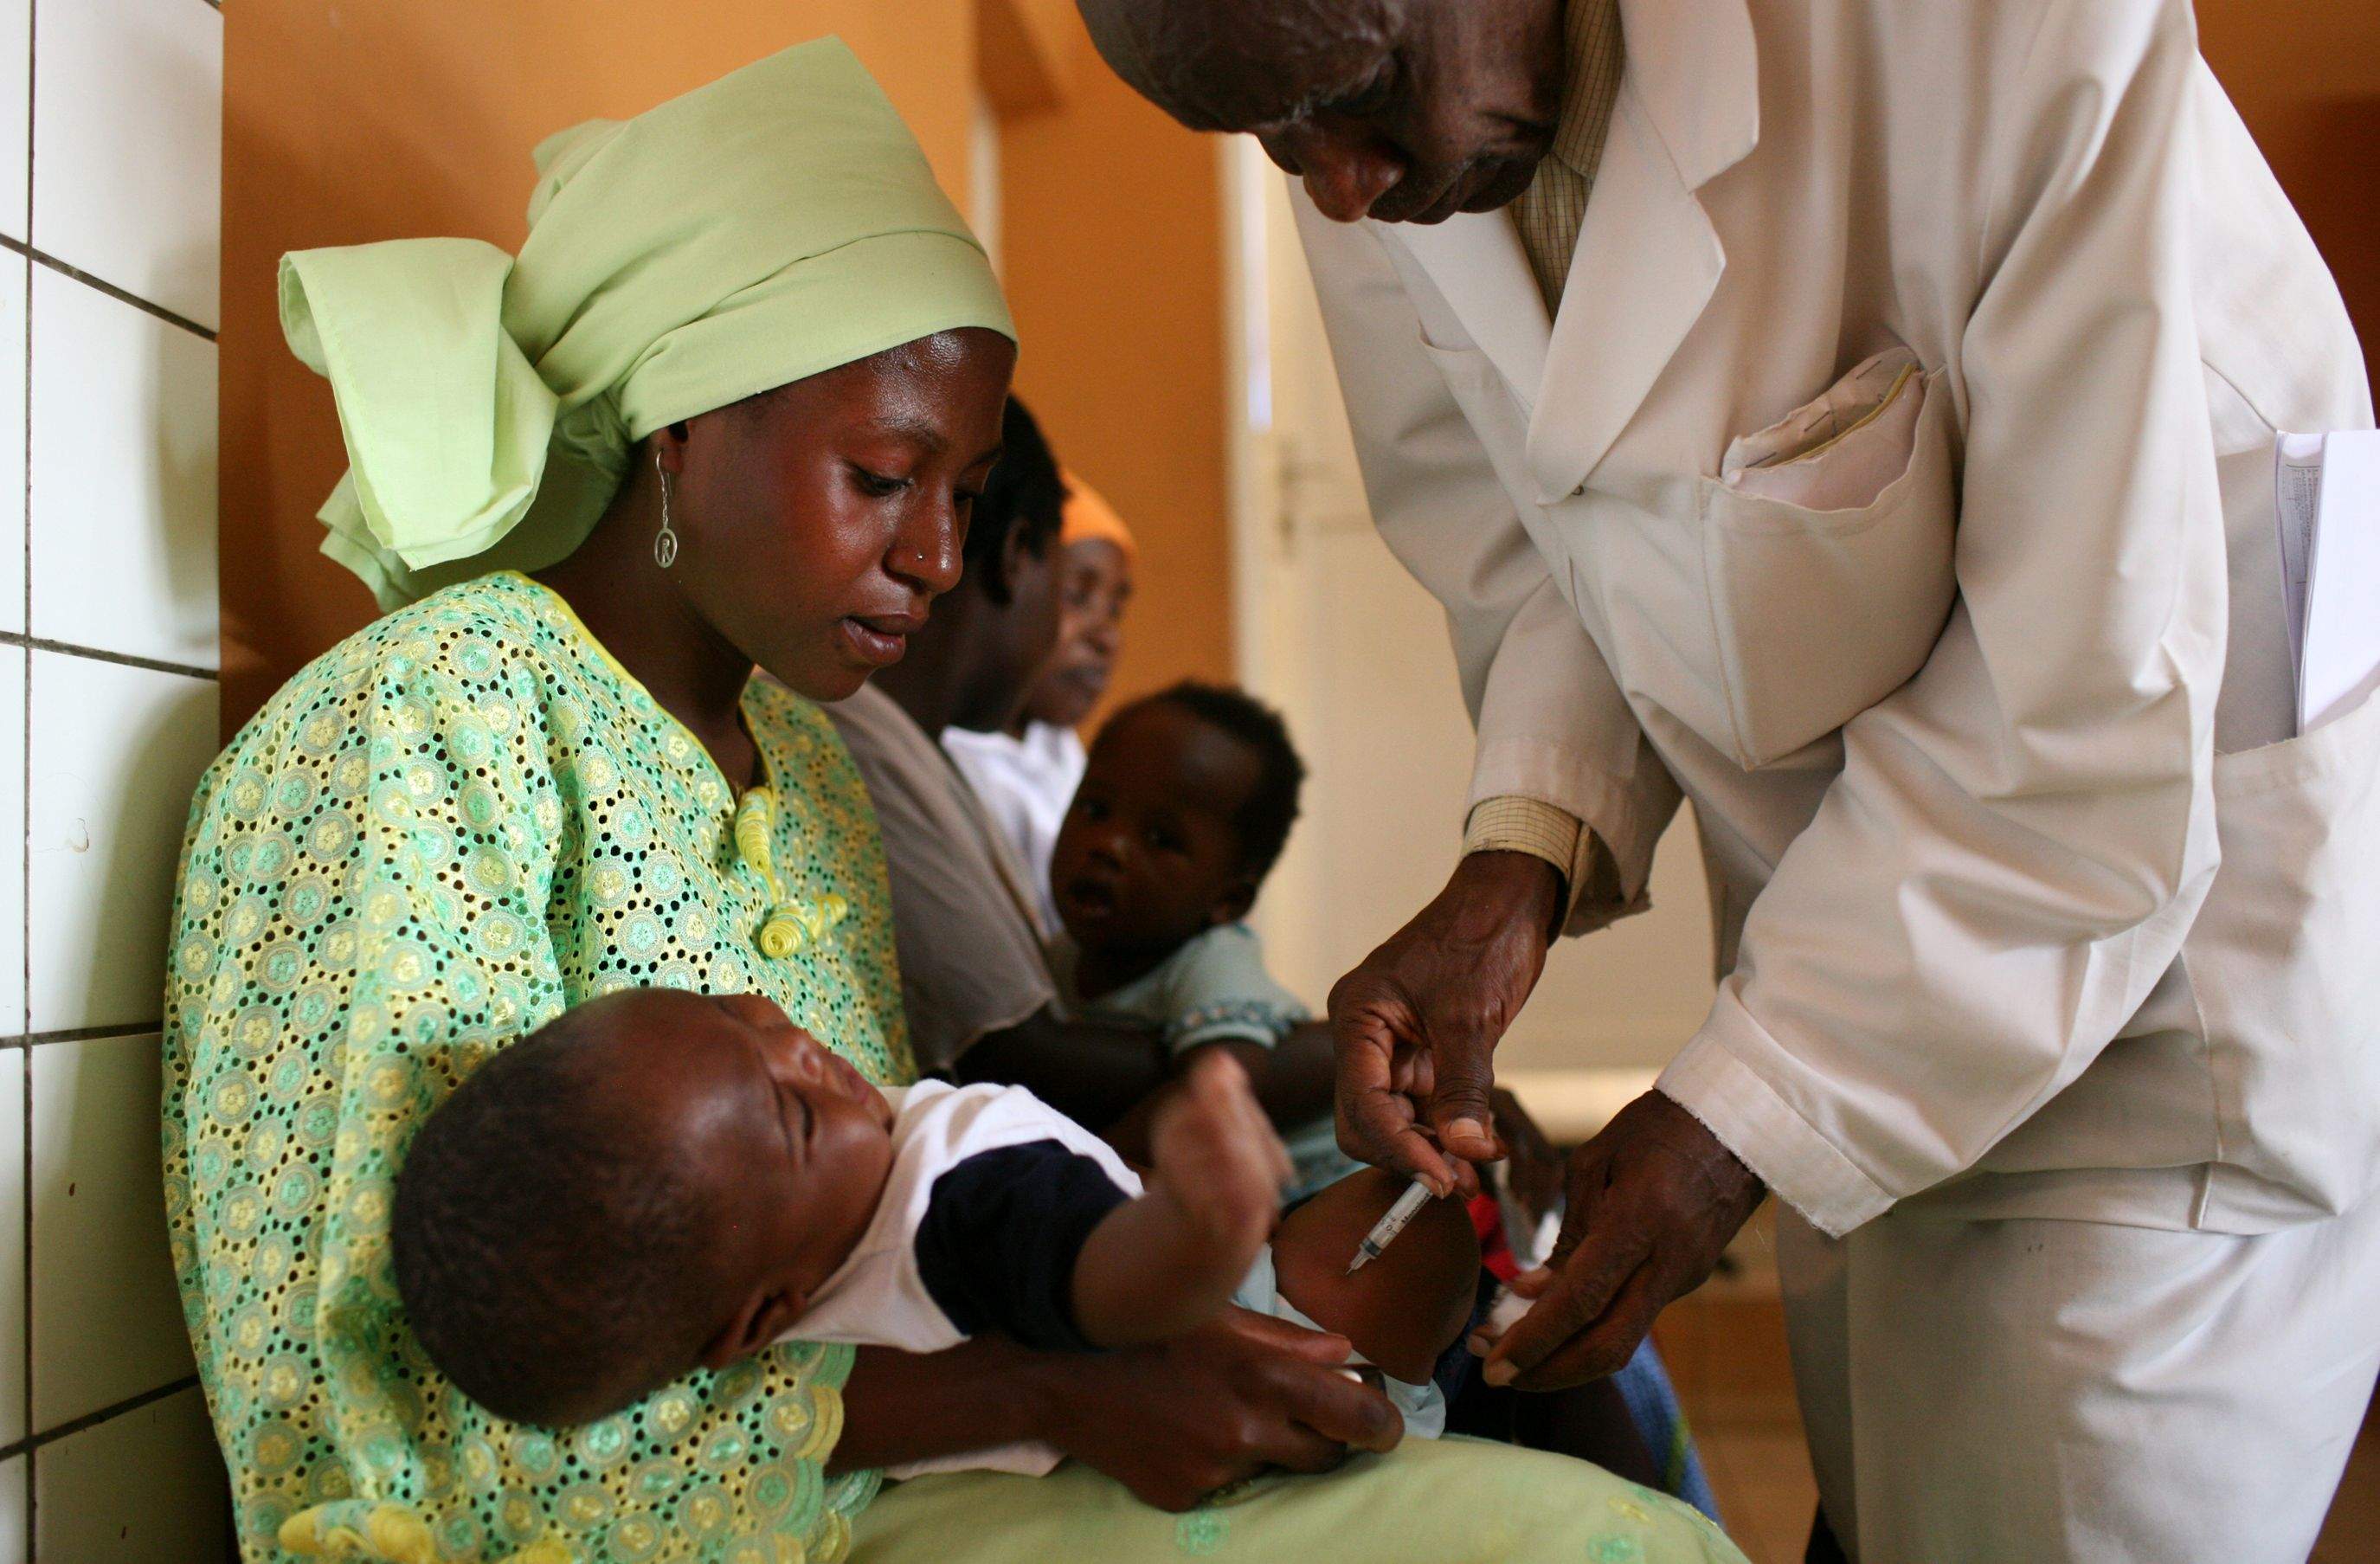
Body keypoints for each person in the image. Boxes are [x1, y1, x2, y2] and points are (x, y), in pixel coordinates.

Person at [167, 38, 1746, 1564]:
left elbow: (881, 1239)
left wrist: (1193, 1309)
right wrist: (1061, 1389)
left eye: (966, 494)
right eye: (882, 477)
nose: (936, 556)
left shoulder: (809, 767)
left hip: (887, 1479)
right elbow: (388, 1395)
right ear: (681, 426)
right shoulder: (427, 721)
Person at [1077, 1, 2380, 1559]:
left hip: (2167, 984)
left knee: (2064, 1496)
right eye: (1271, 139)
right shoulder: (1381, 136)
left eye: (1349, 98)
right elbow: (1550, 527)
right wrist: (1521, 856)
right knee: (1903, 1492)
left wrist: (1724, 1128)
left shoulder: (1993, 38)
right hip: (1850, 939)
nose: (1336, 189)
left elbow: (2082, 702)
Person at [392, 988, 1481, 1461]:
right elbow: (1096, 1290)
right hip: (1264, 1338)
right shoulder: (937, 1200)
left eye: (737, 1016)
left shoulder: (784, 1279)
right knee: (1416, 1231)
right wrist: (1203, 1228)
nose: (796, 1042)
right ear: (757, 1312)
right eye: (789, 1106)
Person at [1045, 681, 1348, 1196]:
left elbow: (1221, 1089)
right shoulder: (1057, 959)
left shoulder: (1213, 959)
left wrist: (1093, 1160)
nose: (1110, 847)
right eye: (1096, 810)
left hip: (1327, 1180)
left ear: (1227, 901)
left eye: (1161, 840)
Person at [942, 465, 1135, 931]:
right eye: (1076, 595)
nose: (1106, 636)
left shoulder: (1059, 749)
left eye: (1116, 608)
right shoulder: (951, 751)